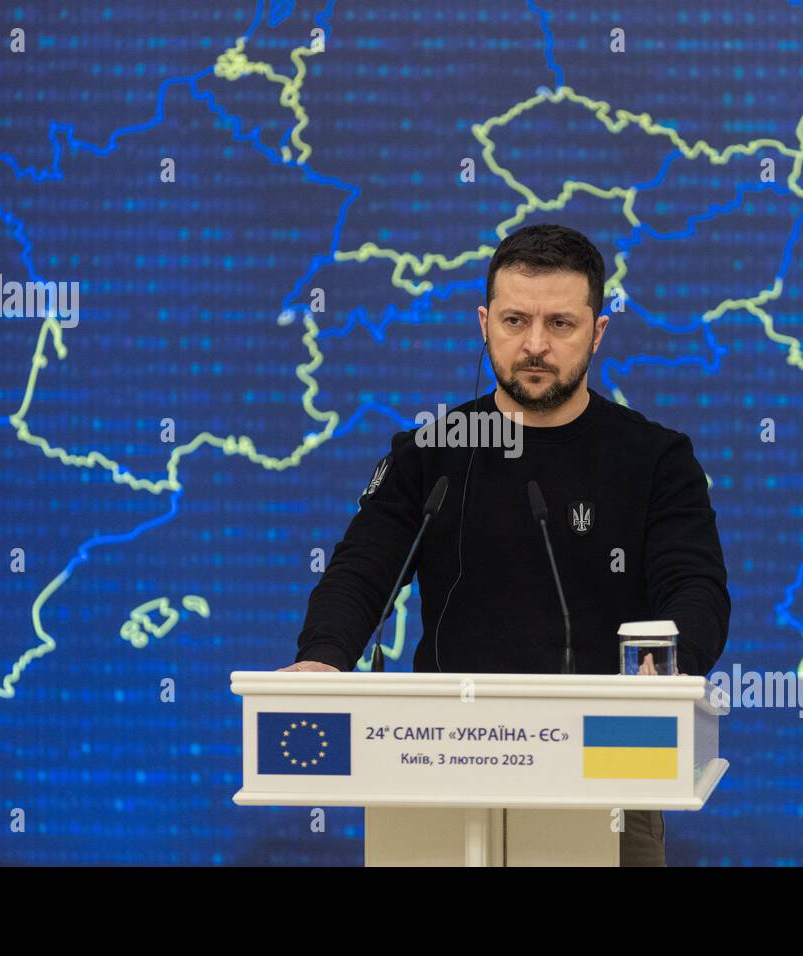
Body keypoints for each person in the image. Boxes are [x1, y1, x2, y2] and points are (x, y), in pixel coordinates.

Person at [280, 223, 730, 866]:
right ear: (484, 324)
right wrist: (324, 659)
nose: (536, 345)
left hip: (607, 772)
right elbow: (360, 572)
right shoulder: (430, 455)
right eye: (516, 320)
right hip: (441, 764)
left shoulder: (656, 459)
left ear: (598, 332)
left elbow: (695, 585)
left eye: (561, 324)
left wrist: (674, 658)